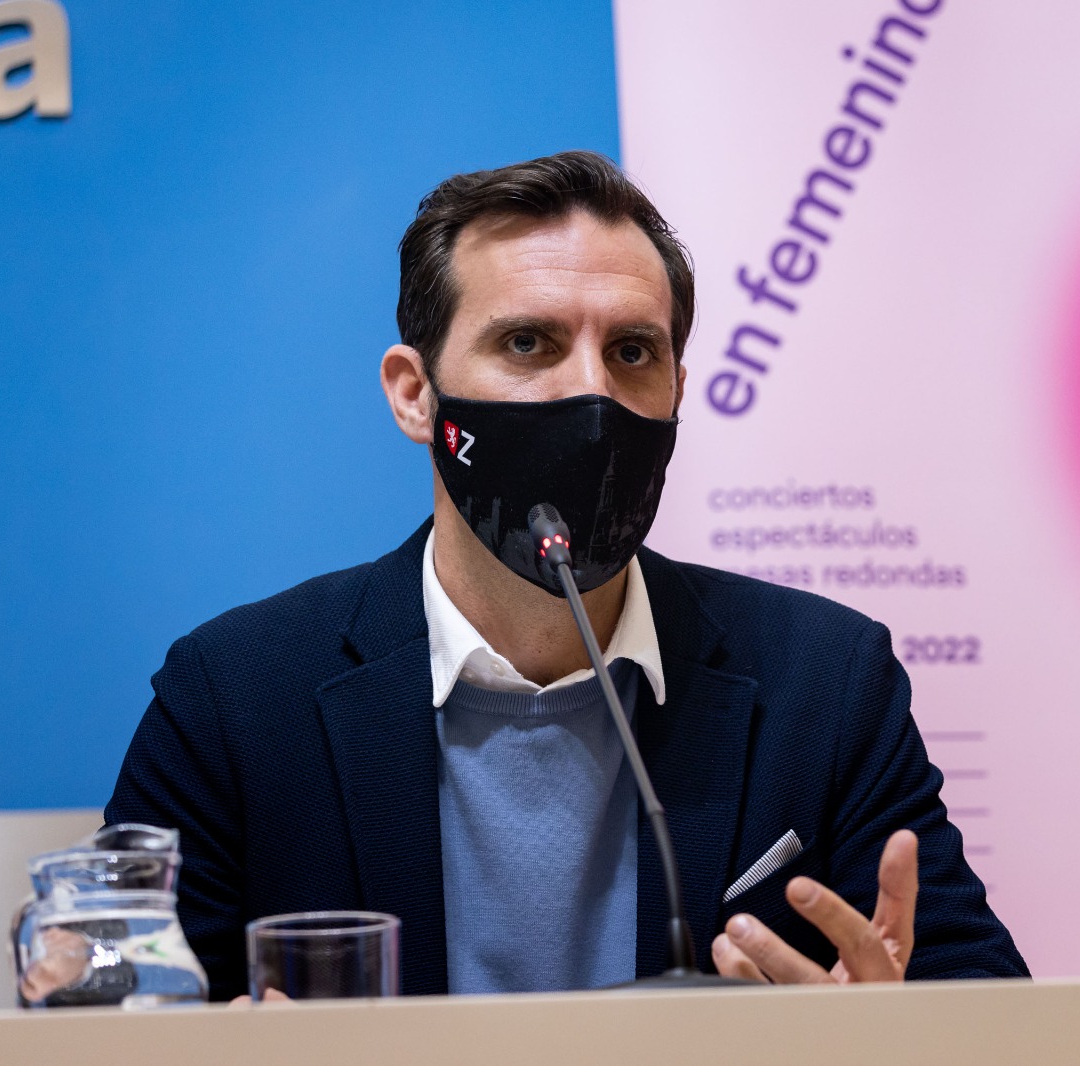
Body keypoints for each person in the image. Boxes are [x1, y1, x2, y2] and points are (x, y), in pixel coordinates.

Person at [105, 151, 1028, 999]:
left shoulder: (825, 681)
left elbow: (981, 1006)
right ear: (416, 395)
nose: (592, 394)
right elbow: (117, 1016)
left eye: (632, 352)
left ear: (677, 391)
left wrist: (897, 1040)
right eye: (528, 344)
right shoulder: (236, 697)